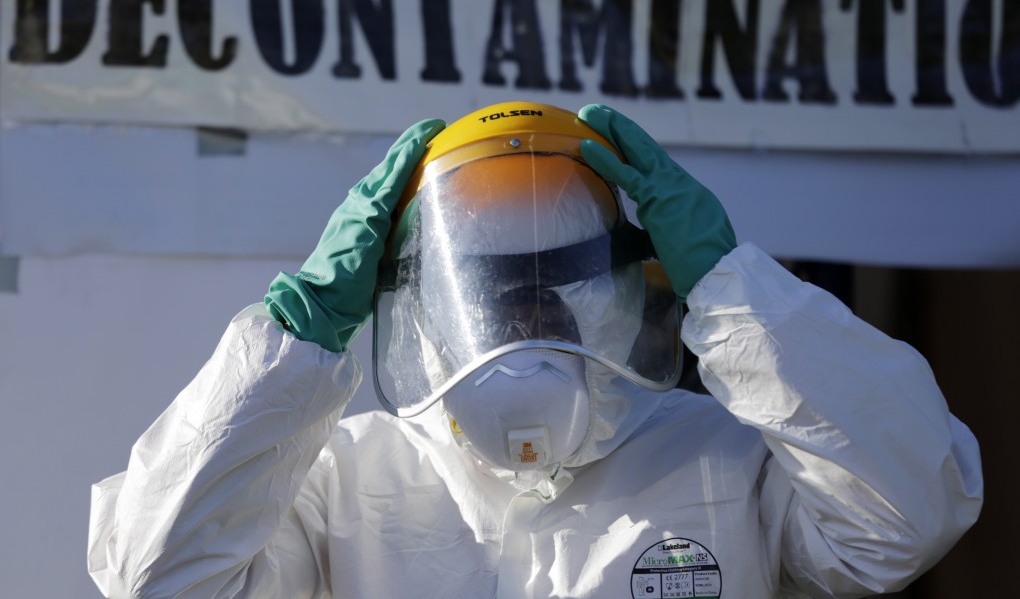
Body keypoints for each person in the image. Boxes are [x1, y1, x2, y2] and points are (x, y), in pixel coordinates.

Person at [87, 102, 982, 599]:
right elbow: (158, 579)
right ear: (417, 297)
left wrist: (734, 290)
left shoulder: (724, 457)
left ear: (631, 282)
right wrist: (296, 336)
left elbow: (907, 515)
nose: (522, 316)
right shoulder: (345, 481)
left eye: (556, 280)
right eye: (488, 283)